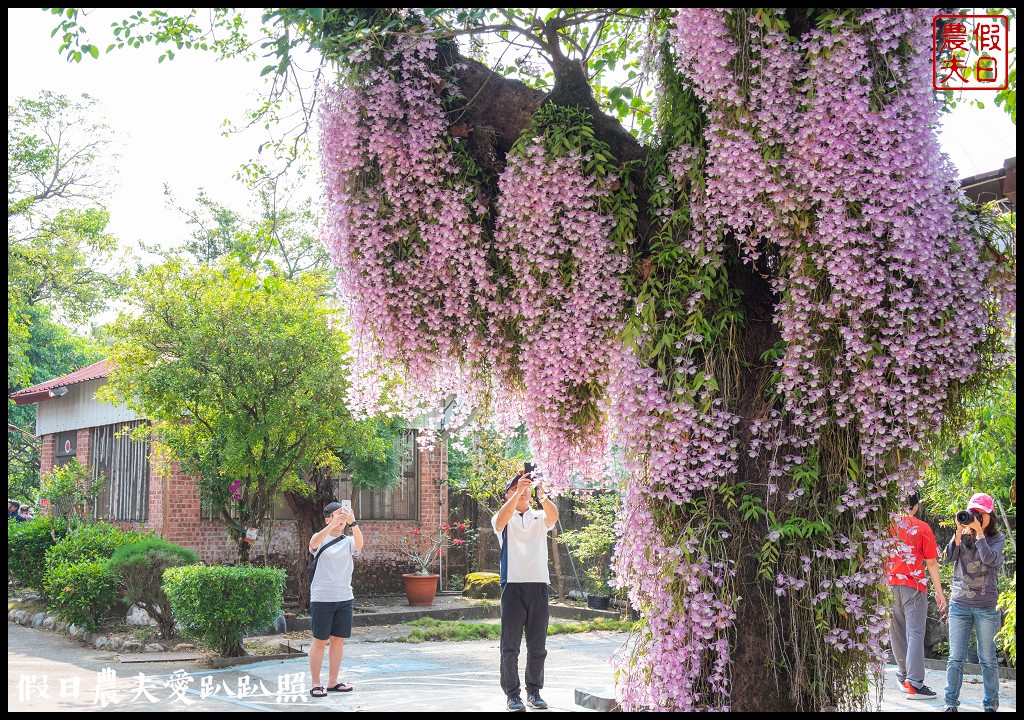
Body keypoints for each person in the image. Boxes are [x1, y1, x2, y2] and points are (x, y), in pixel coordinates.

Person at [492, 466, 559, 712]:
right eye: (515, 489)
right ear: (507, 495)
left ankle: (534, 691)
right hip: (512, 586)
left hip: (538, 586)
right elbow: (500, 521)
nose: (522, 493)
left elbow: (553, 517)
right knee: (510, 646)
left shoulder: (538, 517)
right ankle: (512, 695)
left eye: (525, 489)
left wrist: (542, 496)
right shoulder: (503, 517)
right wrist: (516, 492)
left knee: (538, 645)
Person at [942, 492, 1005, 713]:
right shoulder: (963, 535)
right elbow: (948, 557)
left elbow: (990, 560)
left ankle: (990, 704)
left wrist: (979, 534)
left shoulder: (997, 539)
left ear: (990, 515)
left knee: (987, 658)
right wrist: (959, 532)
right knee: (955, 657)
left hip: (987, 606)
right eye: (973, 512)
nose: (977, 517)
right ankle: (950, 703)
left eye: (981, 514)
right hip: (959, 604)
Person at [887, 491, 947, 700]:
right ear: (916, 505)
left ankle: (904, 677)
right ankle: (915, 684)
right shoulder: (922, 528)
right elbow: (931, 562)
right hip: (913, 587)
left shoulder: (886, 526)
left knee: (896, 633)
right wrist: (940, 593)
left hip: (889, 586)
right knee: (915, 634)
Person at [307, 500, 363, 698]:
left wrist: (353, 522)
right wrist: (332, 524)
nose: (341, 519)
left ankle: (333, 681)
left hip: (344, 597)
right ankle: (316, 683)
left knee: (338, 640)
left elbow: (360, 544)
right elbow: (313, 543)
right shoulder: (319, 538)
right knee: (320, 641)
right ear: (327, 518)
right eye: (336, 515)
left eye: (343, 515)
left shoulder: (348, 541)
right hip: (322, 597)